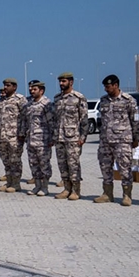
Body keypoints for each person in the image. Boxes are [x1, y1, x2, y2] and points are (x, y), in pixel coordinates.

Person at [93, 75, 139, 206]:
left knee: (125, 168)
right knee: (105, 167)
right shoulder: (103, 101)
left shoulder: (128, 100)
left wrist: (135, 138)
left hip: (122, 140)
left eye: (108, 86)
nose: (106, 89)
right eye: (105, 87)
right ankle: (107, 194)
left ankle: (127, 195)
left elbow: (135, 120)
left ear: (116, 85)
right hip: (105, 141)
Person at [50, 72, 88, 200]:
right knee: (62, 165)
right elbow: (54, 119)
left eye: (64, 81)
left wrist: (82, 138)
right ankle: (66, 188)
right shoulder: (57, 98)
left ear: (71, 82)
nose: (61, 84)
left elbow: (84, 119)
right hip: (59, 137)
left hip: (73, 138)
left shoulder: (79, 97)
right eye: (60, 81)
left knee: (73, 165)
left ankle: (76, 191)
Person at [20, 80, 54, 196]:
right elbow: (25, 121)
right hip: (31, 139)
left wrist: (51, 139)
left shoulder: (46, 104)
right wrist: (23, 134)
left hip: (43, 140)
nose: (32, 91)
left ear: (41, 90)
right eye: (30, 89)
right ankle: (37, 186)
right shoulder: (28, 105)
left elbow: (51, 122)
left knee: (44, 164)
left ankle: (45, 187)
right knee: (33, 164)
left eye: (34, 89)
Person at [0, 78, 27, 193]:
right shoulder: (1, 100)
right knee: (6, 161)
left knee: (15, 161)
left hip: (14, 136)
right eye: (4, 85)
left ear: (14, 87)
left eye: (8, 85)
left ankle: (16, 183)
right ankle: (8, 181)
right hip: (1, 136)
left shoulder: (20, 99)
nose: (5, 87)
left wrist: (22, 133)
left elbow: (25, 117)